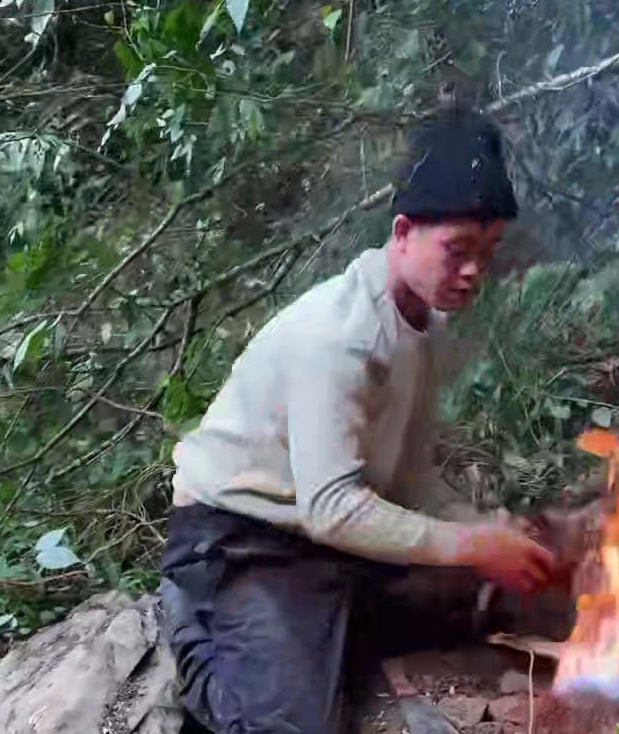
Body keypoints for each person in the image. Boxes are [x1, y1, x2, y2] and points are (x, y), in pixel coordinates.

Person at [159, 109, 558, 734]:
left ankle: (318, 632)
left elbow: (409, 477)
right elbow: (331, 508)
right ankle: (197, 627)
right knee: (288, 725)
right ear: (403, 233)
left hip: (324, 540)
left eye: (487, 252)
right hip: (242, 538)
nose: (475, 271)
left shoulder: (426, 326)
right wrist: (474, 544)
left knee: (494, 598)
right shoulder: (340, 336)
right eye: (457, 250)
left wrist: (484, 528)